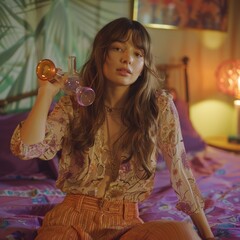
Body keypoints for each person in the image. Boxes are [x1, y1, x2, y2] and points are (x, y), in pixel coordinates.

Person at [10, 17, 215, 240]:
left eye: (138, 53)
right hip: (70, 221)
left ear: (143, 65)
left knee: (182, 234)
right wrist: (45, 94)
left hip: (126, 224)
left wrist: (208, 236)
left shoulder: (159, 106)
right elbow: (27, 148)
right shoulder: (73, 105)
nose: (127, 58)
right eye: (118, 48)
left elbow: (181, 172)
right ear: (102, 53)